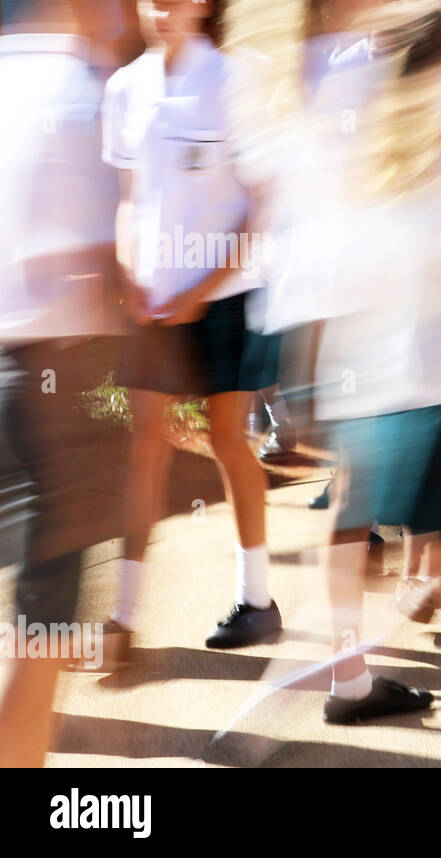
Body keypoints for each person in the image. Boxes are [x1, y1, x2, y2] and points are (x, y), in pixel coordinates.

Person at [228, 0, 441, 759]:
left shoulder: (309, 96)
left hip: (339, 346)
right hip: (407, 351)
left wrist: (298, 375)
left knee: (362, 511)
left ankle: (352, 679)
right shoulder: (436, 116)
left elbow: (295, 231)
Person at [100, 0, 283, 667]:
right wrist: (132, 276)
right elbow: (129, 199)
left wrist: (199, 294)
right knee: (145, 445)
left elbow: (263, 204)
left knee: (230, 439)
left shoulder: (239, 79)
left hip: (228, 297)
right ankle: (122, 616)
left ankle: (256, 600)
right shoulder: (124, 89)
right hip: (154, 302)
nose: (161, 8)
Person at [0, 0, 122, 766]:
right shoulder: (79, 91)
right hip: (52, 384)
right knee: (42, 627)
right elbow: (97, 261)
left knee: (38, 620)